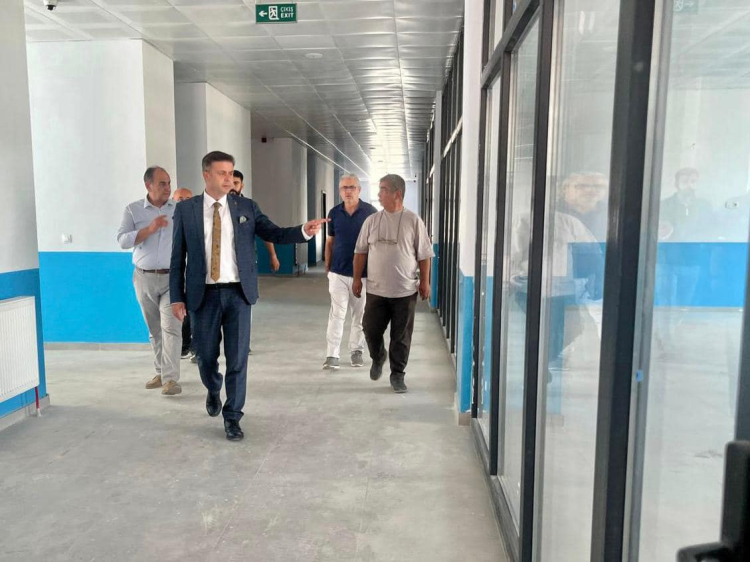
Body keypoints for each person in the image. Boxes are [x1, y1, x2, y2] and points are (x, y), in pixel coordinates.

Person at [170, 151, 328, 441]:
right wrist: (176, 297)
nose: (228, 178)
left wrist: (303, 231)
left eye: (231, 173)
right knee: (205, 357)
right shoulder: (186, 210)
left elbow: (274, 233)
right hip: (202, 296)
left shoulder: (246, 207)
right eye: (222, 173)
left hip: (238, 294)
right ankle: (213, 387)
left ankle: (232, 416)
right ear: (206, 175)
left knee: (238, 358)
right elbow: (177, 256)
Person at [352, 174, 434, 393]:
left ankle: (397, 374)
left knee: (401, 337)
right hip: (376, 290)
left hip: (404, 291)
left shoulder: (413, 221)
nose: (379, 194)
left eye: (383, 189)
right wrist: (357, 278)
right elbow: (360, 252)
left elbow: (424, 255)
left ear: (398, 193)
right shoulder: (371, 221)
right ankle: (378, 356)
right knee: (370, 329)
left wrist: (425, 282)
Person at [117, 167, 182, 396]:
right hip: (143, 277)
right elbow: (122, 240)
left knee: (171, 328)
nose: (167, 187)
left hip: (173, 278)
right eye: (162, 183)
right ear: (148, 185)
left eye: (169, 183)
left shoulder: (178, 210)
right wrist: (149, 229)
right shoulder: (133, 210)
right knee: (155, 329)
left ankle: (171, 379)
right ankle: (161, 372)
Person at [323, 174, 377, 370]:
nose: (347, 191)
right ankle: (332, 355)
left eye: (351, 187)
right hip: (338, 272)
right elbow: (330, 242)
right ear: (340, 191)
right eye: (344, 188)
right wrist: (328, 268)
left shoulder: (370, 213)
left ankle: (356, 351)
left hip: (364, 275)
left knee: (360, 315)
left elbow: (376, 245)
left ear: (359, 190)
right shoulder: (334, 213)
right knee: (337, 314)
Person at [231, 170, 280, 273]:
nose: (232, 187)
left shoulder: (250, 207)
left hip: (246, 261)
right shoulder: (218, 207)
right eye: (230, 183)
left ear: (242, 185)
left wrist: (273, 255)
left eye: (236, 183)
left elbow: (265, 230)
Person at [172, 188, 194, 359]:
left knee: (192, 313)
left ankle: (193, 347)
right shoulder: (167, 220)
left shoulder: (196, 220)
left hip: (192, 275)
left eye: (187, 198)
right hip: (173, 273)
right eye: (180, 198)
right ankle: (183, 346)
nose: (184, 202)